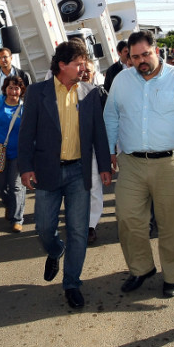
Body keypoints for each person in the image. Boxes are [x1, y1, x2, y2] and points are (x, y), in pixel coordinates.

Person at [104, 30, 174, 298]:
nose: (140, 61)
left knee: (173, 224)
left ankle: (171, 276)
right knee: (127, 219)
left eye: (145, 54)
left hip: (173, 162)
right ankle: (141, 268)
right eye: (134, 57)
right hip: (132, 163)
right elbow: (111, 116)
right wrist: (109, 152)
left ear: (156, 51)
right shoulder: (122, 81)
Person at [17, 40, 111, 310]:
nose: (84, 68)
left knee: (79, 230)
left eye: (84, 63)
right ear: (62, 65)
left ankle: (72, 283)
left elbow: (98, 134)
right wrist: (25, 168)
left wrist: (104, 166)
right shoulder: (37, 92)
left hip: (78, 172)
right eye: (78, 63)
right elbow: (27, 134)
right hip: (47, 172)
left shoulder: (91, 93)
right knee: (44, 227)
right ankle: (56, 250)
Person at [0, 75, 26, 233]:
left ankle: (17, 219)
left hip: (19, 153)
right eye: (10, 87)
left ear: (21, 90)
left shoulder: (24, 106)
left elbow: (30, 129)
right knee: (1, 186)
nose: (13, 91)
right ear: (5, 89)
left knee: (16, 186)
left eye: (16, 87)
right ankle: (10, 205)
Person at [81, 60, 105, 244]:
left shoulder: (100, 93)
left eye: (88, 71)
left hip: (94, 150)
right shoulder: (70, 93)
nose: (85, 74)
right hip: (74, 150)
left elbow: (107, 123)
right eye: (82, 71)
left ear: (94, 72)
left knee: (94, 187)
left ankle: (91, 226)